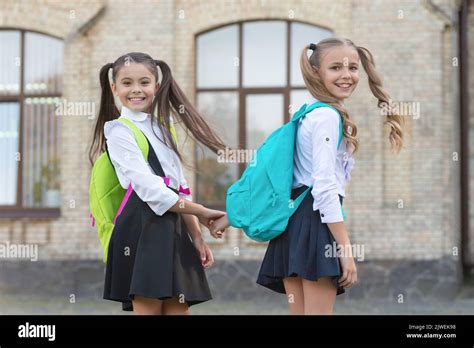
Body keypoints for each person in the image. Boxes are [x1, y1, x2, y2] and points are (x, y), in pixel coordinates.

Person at [210, 38, 404, 315]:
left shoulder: (306, 115)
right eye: (336, 67)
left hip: (294, 225)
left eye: (353, 67)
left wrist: (232, 215)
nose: (347, 75)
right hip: (314, 223)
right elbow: (324, 187)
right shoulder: (326, 116)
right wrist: (345, 249)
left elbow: (280, 178)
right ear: (316, 72)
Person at [89, 52, 227, 315]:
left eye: (144, 82)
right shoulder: (118, 131)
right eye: (127, 83)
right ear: (114, 88)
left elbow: (179, 187)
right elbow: (150, 189)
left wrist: (196, 237)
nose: (136, 90)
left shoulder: (165, 128)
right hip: (140, 232)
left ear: (157, 86)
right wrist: (201, 210)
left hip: (173, 229)